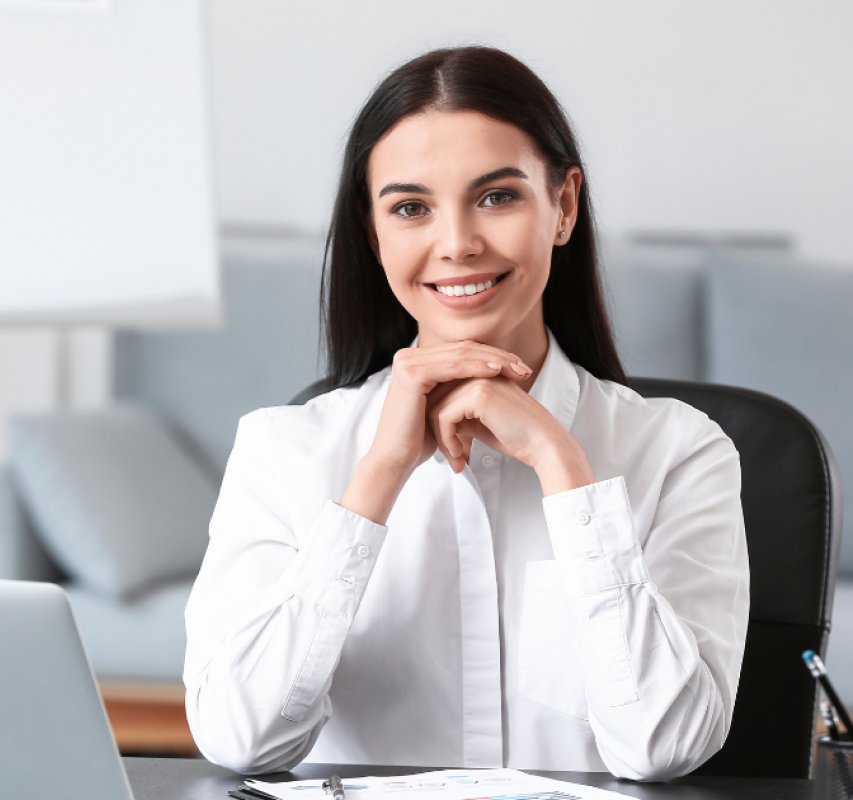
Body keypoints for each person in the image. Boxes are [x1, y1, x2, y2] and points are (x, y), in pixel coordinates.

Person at [183, 46, 749, 781]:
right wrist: (375, 483)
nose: (457, 244)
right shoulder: (282, 451)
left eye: (496, 197)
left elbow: (665, 747)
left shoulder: (679, 451)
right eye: (411, 208)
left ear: (564, 206)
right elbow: (239, 740)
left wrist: (565, 472)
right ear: (373, 230)